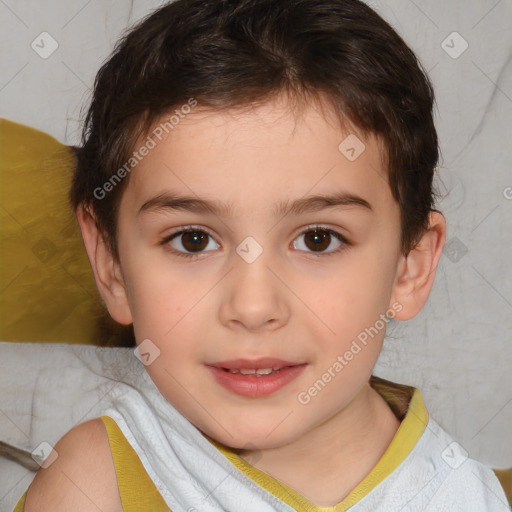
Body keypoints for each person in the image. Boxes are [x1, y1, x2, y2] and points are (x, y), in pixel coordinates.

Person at [15, 0, 510, 510]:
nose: (253, 307)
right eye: (193, 240)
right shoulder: (94, 487)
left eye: (318, 239)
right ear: (111, 264)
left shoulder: (464, 496)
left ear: (410, 266)